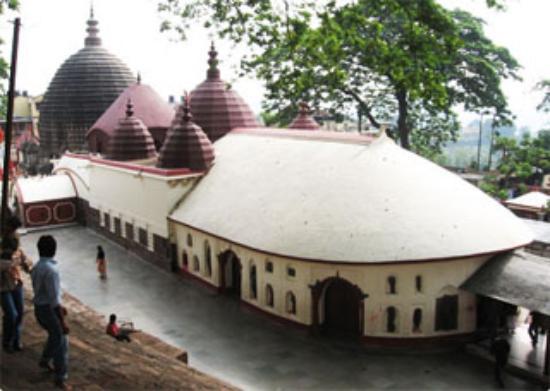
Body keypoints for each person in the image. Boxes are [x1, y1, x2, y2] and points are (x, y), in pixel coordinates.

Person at [31, 235, 70, 389]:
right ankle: (60, 377)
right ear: (54, 250)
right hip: (49, 310)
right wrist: (62, 322)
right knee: (61, 341)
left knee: (55, 337)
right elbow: (54, 301)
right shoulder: (52, 271)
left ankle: (45, 359)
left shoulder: (37, 267)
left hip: (39, 308)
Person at [1, 214, 33, 353]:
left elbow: (24, 260)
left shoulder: (16, 248)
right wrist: (15, 261)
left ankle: (16, 339)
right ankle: (7, 341)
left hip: (16, 282)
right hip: (2, 285)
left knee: (19, 313)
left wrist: (28, 267)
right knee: (11, 314)